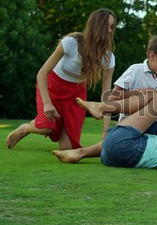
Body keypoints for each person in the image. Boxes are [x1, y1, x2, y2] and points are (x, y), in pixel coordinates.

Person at [52, 34, 157, 163]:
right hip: (134, 125)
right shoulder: (136, 70)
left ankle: (79, 153)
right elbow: (113, 97)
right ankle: (81, 151)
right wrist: (141, 93)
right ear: (152, 56)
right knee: (150, 126)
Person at [6, 8, 117, 150]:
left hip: (77, 95)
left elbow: (106, 97)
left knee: (67, 147)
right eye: (106, 26)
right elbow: (42, 73)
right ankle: (25, 128)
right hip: (53, 86)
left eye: (112, 27)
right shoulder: (71, 43)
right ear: (95, 26)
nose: (109, 30)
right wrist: (47, 103)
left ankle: (51, 130)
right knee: (46, 127)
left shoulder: (108, 58)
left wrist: (105, 131)